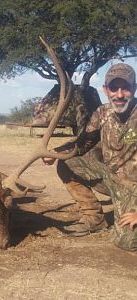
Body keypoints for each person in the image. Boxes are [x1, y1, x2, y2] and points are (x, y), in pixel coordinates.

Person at [43, 63, 137, 251]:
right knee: (67, 162)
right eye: (114, 88)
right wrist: (57, 152)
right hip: (111, 178)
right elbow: (85, 141)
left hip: (134, 188)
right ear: (106, 90)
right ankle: (94, 218)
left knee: (127, 243)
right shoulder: (102, 113)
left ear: (134, 88)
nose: (119, 95)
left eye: (125, 88)